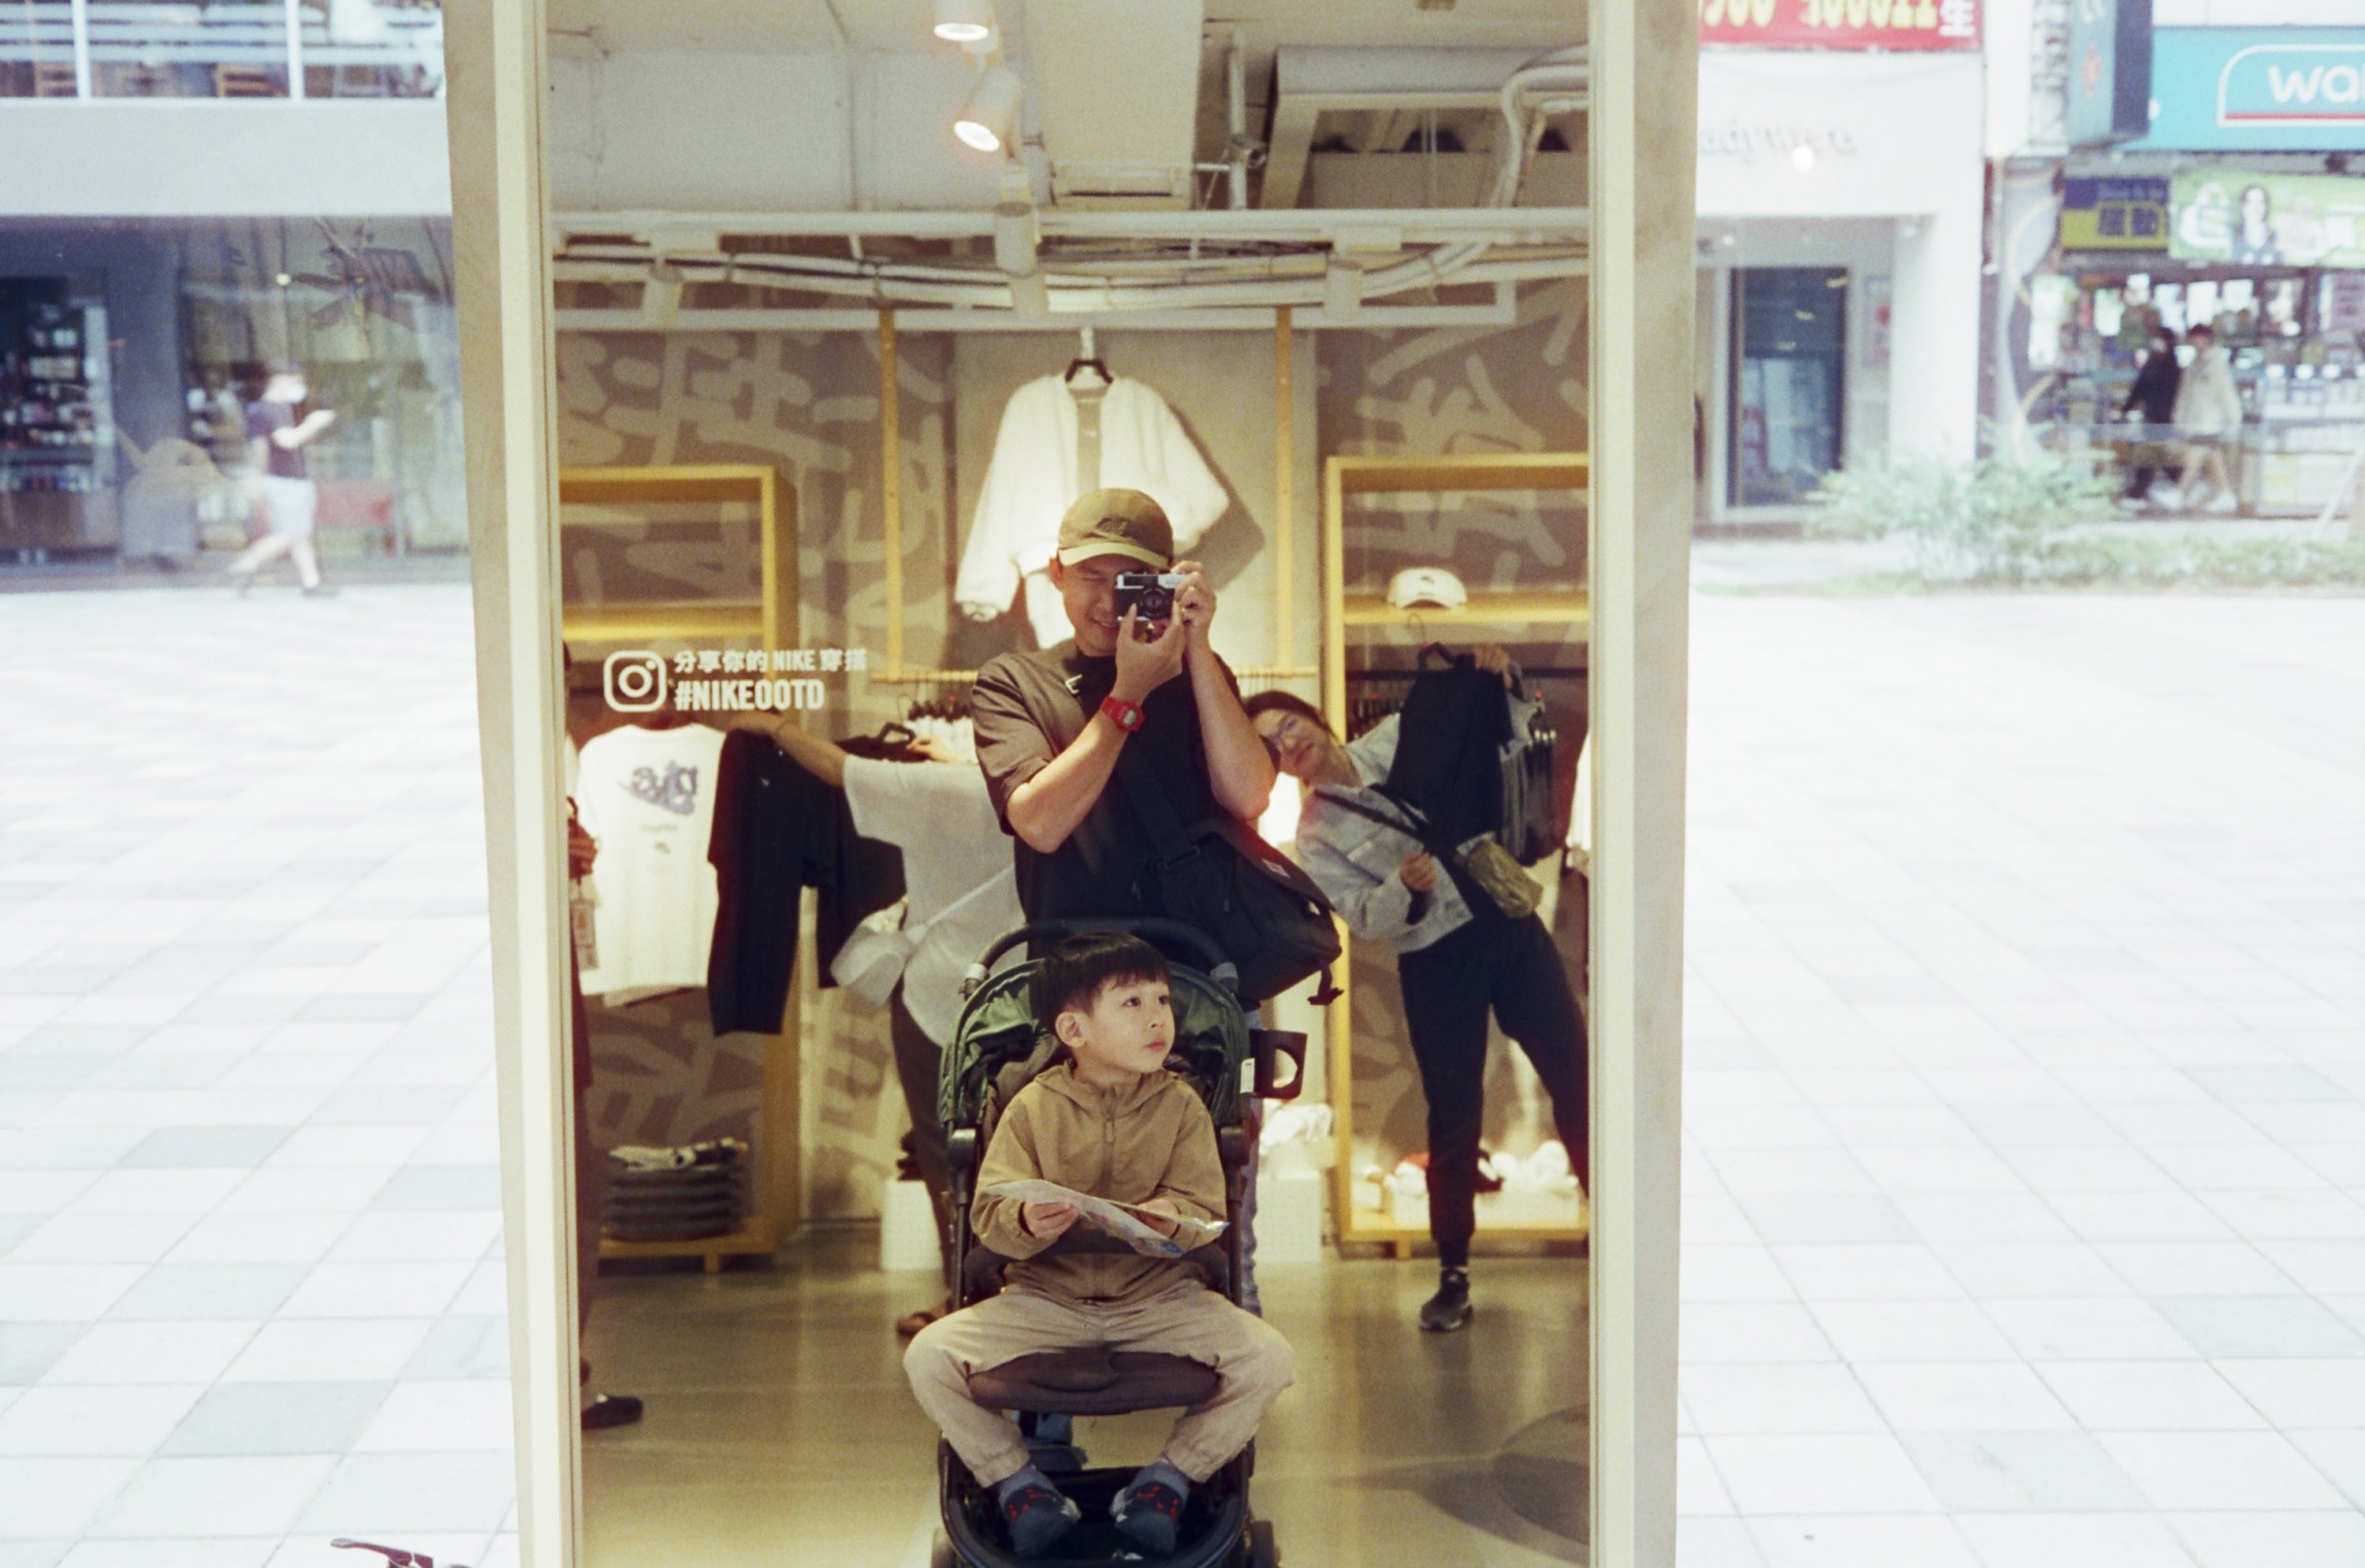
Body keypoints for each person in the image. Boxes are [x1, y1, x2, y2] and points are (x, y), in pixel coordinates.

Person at [903, 933, 1294, 1560]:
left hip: (1159, 1298)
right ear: (1073, 1029)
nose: (1157, 1017)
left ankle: (1169, 1479)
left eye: (1162, 1000)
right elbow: (989, 1216)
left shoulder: (1182, 1106)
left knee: (1269, 1358)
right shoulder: (1031, 1108)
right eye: (1132, 1002)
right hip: (1046, 1298)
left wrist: (1171, 1220)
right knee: (929, 1356)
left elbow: (1205, 1213)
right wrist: (1026, 1220)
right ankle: (1018, 1483)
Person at [1246, 652, 1588, 1335]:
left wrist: (1504, 682)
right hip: (1434, 957)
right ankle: (1453, 1273)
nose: (1289, 742)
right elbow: (1364, 919)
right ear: (1272, 768)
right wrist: (1402, 885)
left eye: (1289, 724)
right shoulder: (1313, 836)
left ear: (1312, 716)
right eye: (1271, 746)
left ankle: (1613, 1230)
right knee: (1454, 1113)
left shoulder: (1402, 734)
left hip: (1508, 922)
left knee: (1576, 1076)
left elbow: (1507, 743)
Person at [748, 717, 1024, 1337]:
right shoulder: (1046, 792)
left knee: (946, 1155)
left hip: (935, 997)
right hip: (1022, 993)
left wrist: (774, 725)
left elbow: (836, 766)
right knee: (1025, 1148)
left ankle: (967, 1297)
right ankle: (1027, 1296)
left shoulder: (934, 789)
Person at [970, 487, 1274, 933]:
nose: (1109, 602)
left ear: (1168, 581)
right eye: (1091, 576)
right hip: (1074, 959)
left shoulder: (1197, 672)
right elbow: (1040, 825)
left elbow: (1249, 797)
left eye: (1132, 581)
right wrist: (1129, 694)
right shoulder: (1013, 682)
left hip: (1197, 957)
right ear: (1057, 573)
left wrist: (1197, 646)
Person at [226, 364, 337, 596]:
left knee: (299, 534)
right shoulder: (272, 410)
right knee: (288, 534)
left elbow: (259, 449)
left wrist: (257, 482)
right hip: (287, 482)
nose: (299, 387)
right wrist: (313, 423)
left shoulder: (262, 409)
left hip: (281, 480)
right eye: (296, 381)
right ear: (279, 379)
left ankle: (311, 583)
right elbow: (287, 441)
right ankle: (244, 565)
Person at [2169, 323, 2244, 515]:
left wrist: (2234, 419)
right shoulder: (2193, 364)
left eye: (2200, 337)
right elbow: (2184, 394)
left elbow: (2226, 392)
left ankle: (2179, 492)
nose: (2197, 342)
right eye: (2194, 338)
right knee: (2211, 455)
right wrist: (2179, 418)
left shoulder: (2217, 363)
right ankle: (2226, 495)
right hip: (2195, 420)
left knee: (2198, 452)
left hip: (2211, 421)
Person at [2118, 328, 2181, 508]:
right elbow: (2140, 390)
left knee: (2154, 455)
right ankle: (2143, 490)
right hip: (2152, 419)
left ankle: (2139, 492)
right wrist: (2126, 410)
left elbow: (2173, 396)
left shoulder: (2172, 367)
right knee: (2154, 455)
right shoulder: (2152, 365)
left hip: (2167, 420)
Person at [2233, 184, 2282, 266]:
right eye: (2250, 202)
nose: (2255, 207)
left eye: (2260, 202)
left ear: (2266, 207)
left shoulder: (2276, 238)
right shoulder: (2231, 234)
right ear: (2242, 206)